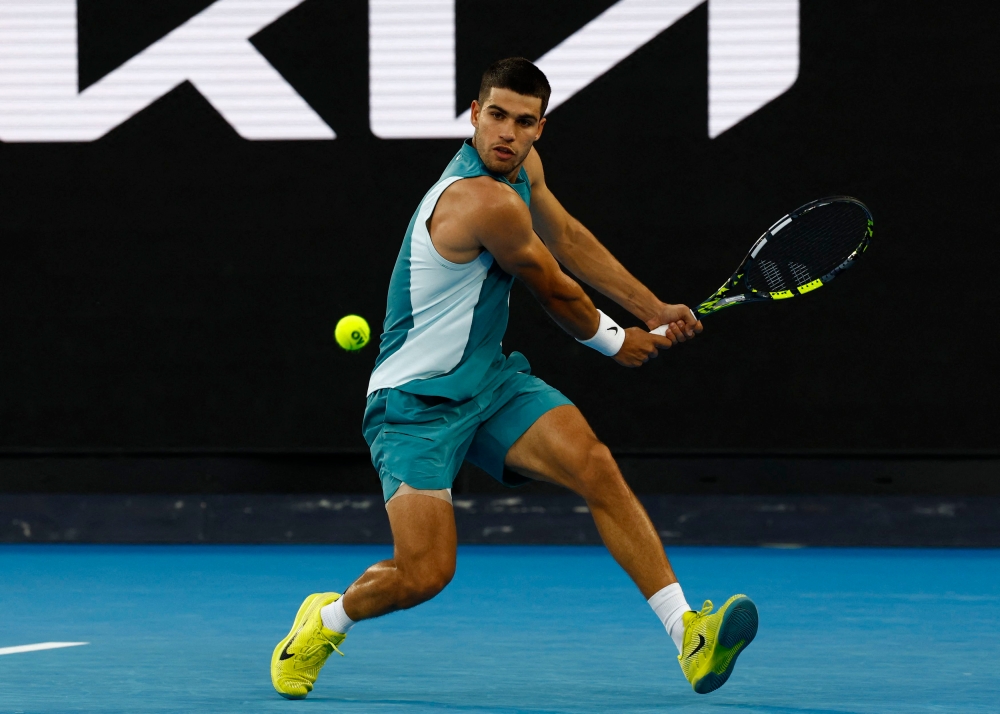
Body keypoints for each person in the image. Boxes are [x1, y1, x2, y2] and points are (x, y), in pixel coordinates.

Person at [271, 57, 757, 699]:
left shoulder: (522, 171)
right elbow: (555, 289)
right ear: (474, 115)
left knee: (596, 465)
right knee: (424, 574)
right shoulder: (480, 200)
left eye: (522, 121)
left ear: (539, 130)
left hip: (490, 383)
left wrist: (653, 308)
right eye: (495, 115)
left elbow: (569, 237)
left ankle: (688, 634)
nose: (506, 132)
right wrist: (618, 342)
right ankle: (324, 619)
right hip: (413, 404)